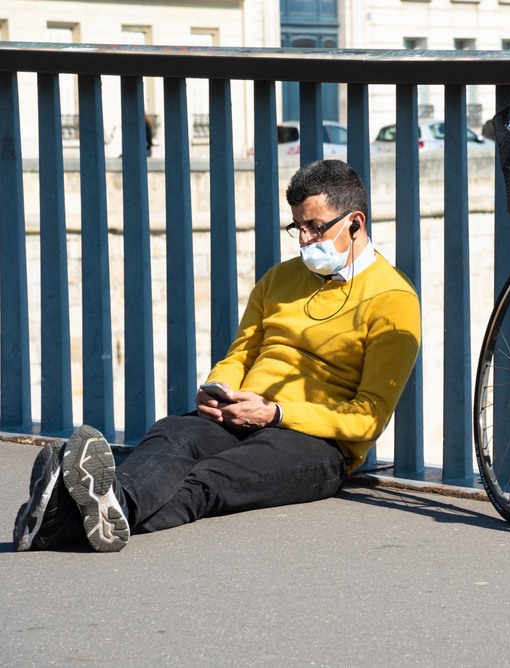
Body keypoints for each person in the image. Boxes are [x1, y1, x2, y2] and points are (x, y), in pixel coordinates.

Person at [13, 159, 422, 552]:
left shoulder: (393, 300)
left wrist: (275, 413)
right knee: (173, 433)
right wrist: (220, 387)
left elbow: (368, 417)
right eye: (296, 227)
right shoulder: (280, 278)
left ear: (355, 222)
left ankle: (62, 519)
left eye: (315, 228)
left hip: (316, 443)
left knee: (211, 479)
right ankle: (79, 516)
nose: (303, 240)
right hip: (242, 412)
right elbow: (241, 354)